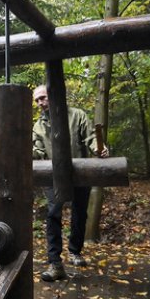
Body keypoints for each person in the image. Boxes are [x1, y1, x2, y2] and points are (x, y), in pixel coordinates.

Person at [32, 84, 109, 282]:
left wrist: (98, 148)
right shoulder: (38, 126)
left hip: (79, 172)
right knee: (53, 214)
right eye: (37, 100)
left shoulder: (77, 115)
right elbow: (38, 152)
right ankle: (55, 263)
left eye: (43, 97)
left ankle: (75, 251)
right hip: (53, 175)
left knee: (80, 213)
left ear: (53, 96)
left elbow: (91, 137)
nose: (40, 103)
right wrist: (25, 150)